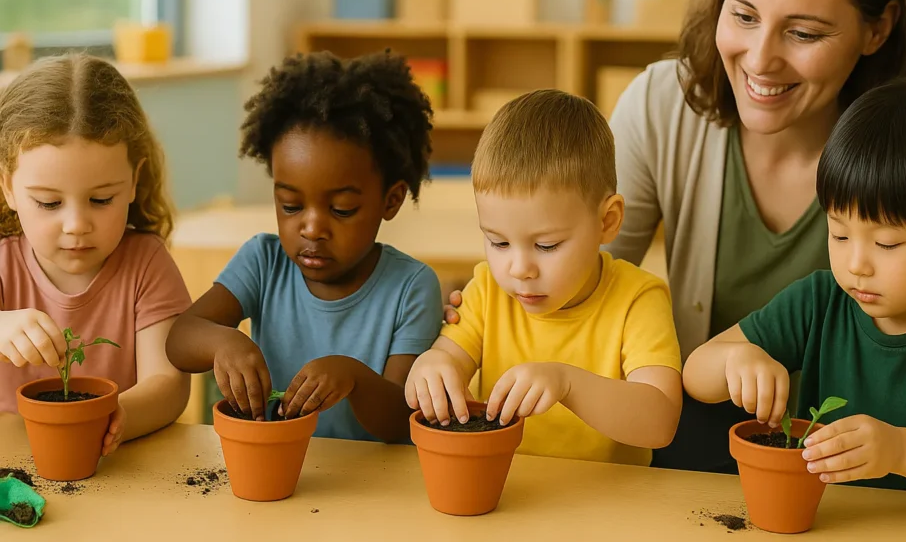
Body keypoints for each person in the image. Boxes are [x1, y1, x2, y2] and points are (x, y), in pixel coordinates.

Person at [444, 0, 906, 472]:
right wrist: (492, 302)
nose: (760, 59)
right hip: (692, 437)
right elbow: (584, 266)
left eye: (803, 31)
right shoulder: (664, 105)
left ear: (877, 28)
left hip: (884, 474)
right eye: (743, 15)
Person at [682, 81, 906, 512]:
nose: (857, 263)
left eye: (887, 244)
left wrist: (900, 450)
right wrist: (736, 360)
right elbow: (695, 374)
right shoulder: (820, 301)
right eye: (839, 233)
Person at [165, 51, 443, 443]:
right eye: (291, 206)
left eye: (341, 209)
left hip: (373, 486)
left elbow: (403, 423)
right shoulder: (264, 261)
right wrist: (224, 341)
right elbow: (179, 340)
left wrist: (353, 377)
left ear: (391, 200)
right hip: (276, 468)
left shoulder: (411, 287)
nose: (311, 228)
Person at [406, 90, 682, 466]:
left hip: (610, 508)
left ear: (608, 221)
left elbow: (660, 423)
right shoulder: (488, 290)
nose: (519, 269)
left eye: (547, 245)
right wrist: (431, 368)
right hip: (507, 493)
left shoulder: (639, 299)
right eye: (498, 241)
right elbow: (447, 359)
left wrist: (567, 383)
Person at [0, 54, 192, 456]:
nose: (76, 224)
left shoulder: (146, 264)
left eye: (102, 199)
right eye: (49, 203)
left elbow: (169, 384)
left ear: (134, 182)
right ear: (8, 188)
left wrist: (117, 415)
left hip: (113, 466)